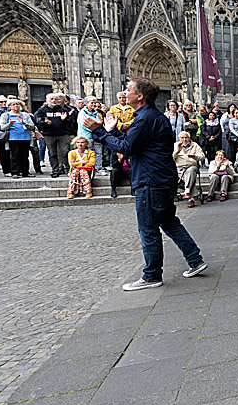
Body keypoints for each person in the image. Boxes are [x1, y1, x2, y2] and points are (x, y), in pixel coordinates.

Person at [85, 78, 207, 291]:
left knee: (148, 228)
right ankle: (195, 260)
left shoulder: (144, 119)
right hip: (162, 178)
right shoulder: (152, 117)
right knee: (168, 221)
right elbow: (137, 144)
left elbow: (128, 147)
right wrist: (112, 131)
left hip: (151, 180)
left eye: (129, 89)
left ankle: (152, 275)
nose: (125, 92)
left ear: (139, 96)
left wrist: (99, 131)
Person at [35, 93, 74, 177]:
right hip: (49, 135)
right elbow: (37, 120)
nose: (54, 101)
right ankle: (55, 170)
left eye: (56, 99)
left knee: (65, 152)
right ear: (47, 100)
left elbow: (70, 122)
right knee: (52, 153)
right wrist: (44, 123)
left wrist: (64, 119)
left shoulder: (63, 110)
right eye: (51, 99)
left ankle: (68, 170)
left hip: (63, 134)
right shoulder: (42, 110)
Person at [0, 98, 38, 178]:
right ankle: (15, 172)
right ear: (9, 106)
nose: (16, 106)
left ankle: (25, 172)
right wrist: (10, 124)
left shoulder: (25, 115)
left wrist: (24, 123)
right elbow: (2, 128)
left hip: (25, 138)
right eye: (13, 104)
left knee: (25, 156)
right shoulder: (5, 115)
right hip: (13, 138)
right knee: (14, 155)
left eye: (17, 104)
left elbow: (32, 126)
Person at [173, 130, 205, 206]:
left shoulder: (195, 145)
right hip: (179, 167)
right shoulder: (175, 145)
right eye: (182, 138)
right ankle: (191, 198)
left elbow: (202, 156)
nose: (184, 140)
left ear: (189, 138)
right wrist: (177, 152)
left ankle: (187, 191)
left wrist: (195, 156)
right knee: (190, 177)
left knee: (190, 171)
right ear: (179, 138)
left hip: (192, 166)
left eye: (186, 137)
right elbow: (170, 158)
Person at [77, 96, 106, 174]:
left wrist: (96, 125)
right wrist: (96, 125)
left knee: (98, 153)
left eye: (94, 103)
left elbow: (101, 124)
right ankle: (89, 168)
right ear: (86, 104)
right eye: (91, 103)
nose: (93, 104)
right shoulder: (82, 113)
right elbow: (84, 125)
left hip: (97, 136)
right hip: (86, 136)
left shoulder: (97, 113)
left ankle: (99, 168)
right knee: (88, 153)